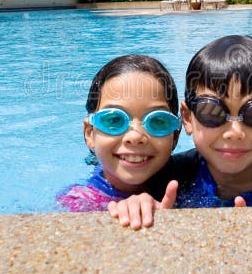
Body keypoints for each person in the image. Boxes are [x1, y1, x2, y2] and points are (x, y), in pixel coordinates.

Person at [109, 35, 252, 228]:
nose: (234, 132)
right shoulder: (169, 178)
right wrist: (135, 205)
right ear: (187, 118)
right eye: (212, 111)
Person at [56, 55, 181, 212]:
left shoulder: (192, 178)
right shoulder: (79, 203)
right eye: (114, 120)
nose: (135, 137)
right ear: (89, 133)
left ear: (175, 136)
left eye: (157, 121)